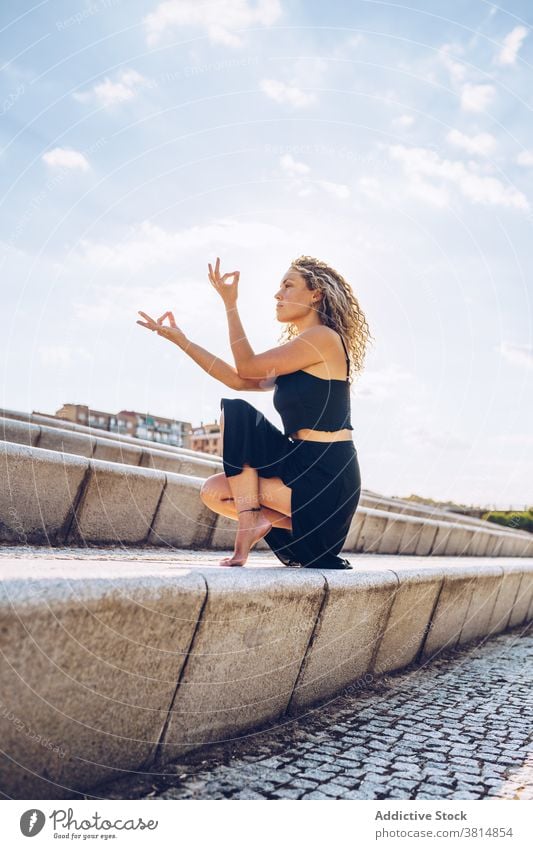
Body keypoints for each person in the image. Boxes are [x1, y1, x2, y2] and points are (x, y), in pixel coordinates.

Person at [137, 255, 372, 569]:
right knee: (215, 492)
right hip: (300, 464)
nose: (278, 295)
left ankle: (250, 521)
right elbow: (239, 378)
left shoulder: (323, 339)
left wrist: (230, 304)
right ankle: (257, 519)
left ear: (316, 294)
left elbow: (246, 365)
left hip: (327, 474)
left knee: (237, 415)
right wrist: (184, 342)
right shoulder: (299, 351)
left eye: (288, 286)